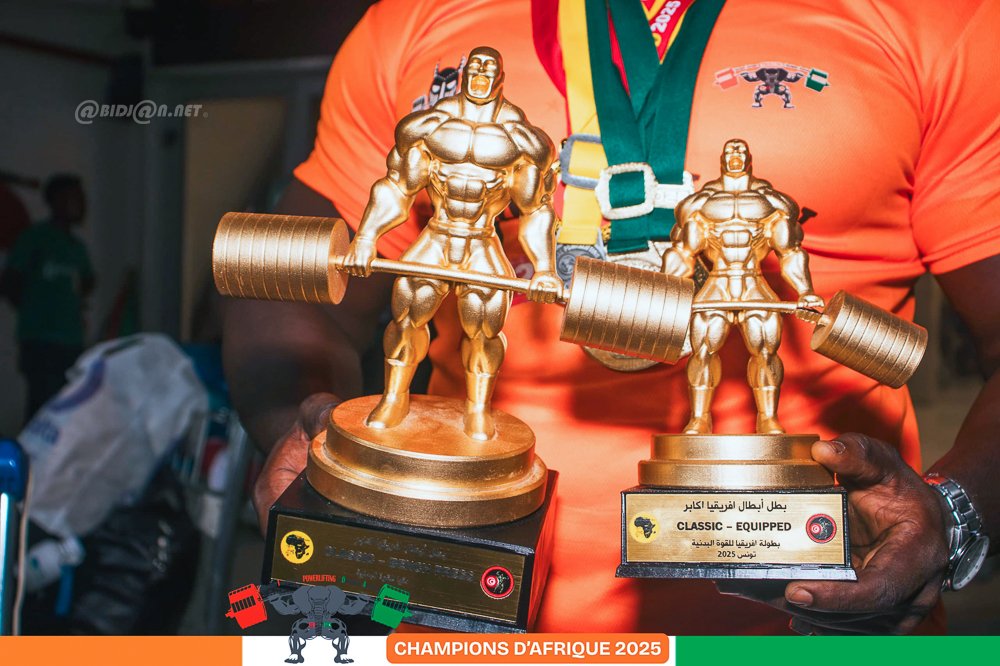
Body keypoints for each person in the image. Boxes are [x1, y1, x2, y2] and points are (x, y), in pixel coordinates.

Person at [224, 0, 1000, 635]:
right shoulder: (417, 18)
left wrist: (953, 514)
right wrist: (305, 434)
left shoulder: (937, 18)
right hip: (454, 619)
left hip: (809, 626)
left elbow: (540, 214)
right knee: (413, 327)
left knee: (752, 358)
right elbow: (293, 288)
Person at [1, 174, 94, 419]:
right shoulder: (34, 238)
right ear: (56, 200)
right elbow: (9, 281)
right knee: (43, 409)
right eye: (74, 197)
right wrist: (35, 310)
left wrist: (70, 305)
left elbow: (88, 280)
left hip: (71, 340)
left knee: (70, 411)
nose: (81, 203)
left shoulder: (77, 247)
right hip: (40, 341)